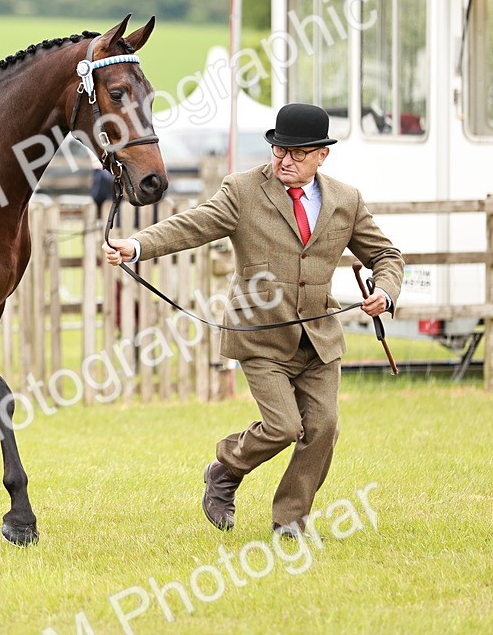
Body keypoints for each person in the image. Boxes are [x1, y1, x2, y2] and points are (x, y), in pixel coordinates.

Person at [103, 103, 404, 538]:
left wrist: (385, 292)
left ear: (322, 155)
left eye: (298, 153)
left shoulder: (346, 200)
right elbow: (194, 224)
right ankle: (225, 468)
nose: (285, 160)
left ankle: (290, 521)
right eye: (279, 150)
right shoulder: (242, 190)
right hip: (260, 336)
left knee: (323, 429)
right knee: (284, 426)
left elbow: (386, 255)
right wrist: (137, 246)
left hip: (319, 339)